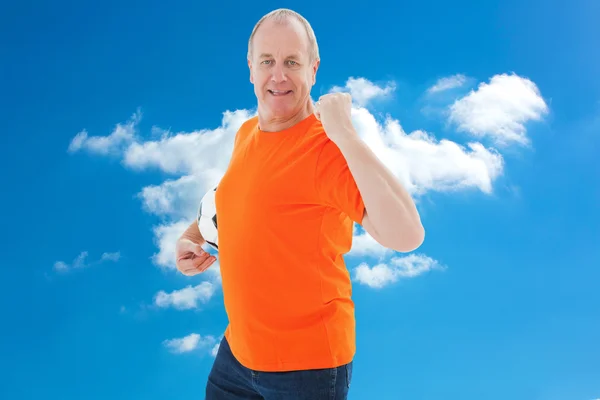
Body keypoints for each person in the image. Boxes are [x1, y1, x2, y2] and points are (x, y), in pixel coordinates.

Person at [175, 8, 424, 400]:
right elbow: (232, 200)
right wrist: (191, 238)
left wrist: (346, 135)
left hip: (306, 370)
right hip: (236, 355)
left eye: (292, 62)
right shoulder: (246, 134)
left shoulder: (327, 149)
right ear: (251, 69)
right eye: (267, 62)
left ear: (313, 69)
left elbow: (407, 235)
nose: (278, 75)